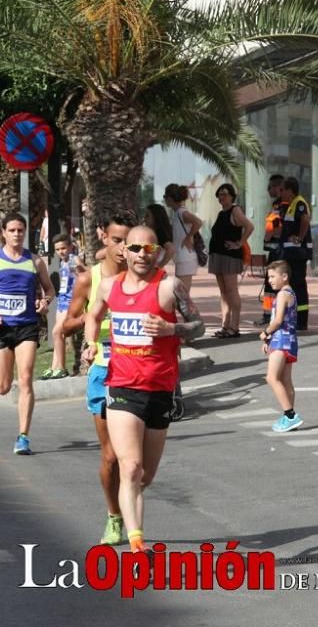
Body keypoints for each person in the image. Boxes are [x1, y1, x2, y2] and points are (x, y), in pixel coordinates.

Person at [83, 225, 205, 554]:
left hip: (160, 388)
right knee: (131, 467)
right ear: (126, 251)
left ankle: (125, 515)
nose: (140, 255)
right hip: (122, 386)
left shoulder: (169, 287)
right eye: (134, 248)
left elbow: (200, 326)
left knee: (145, 475)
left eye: (147, 250)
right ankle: (138, 544)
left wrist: (170, 328)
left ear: (157, 253)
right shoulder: (109, 287)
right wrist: (90, 343)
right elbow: (92, 315)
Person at [63, 211, 136, 545]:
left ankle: (130, 513)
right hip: (103, 368)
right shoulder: (87, 280)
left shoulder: (141, 276)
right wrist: (95, 317)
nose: (123, 249)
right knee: (110, 456)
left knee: (133, 460)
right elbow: (66, 324)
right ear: (102, 236)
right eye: (117, 240)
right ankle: (114, 516)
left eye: (128, 241)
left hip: (137, 369)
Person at [0, 212, 55, 455]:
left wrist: (45, 301)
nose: (17, 234)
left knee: (26, 378)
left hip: (27, 326)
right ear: (3, 233)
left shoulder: (35, 261)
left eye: (21, 230)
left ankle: (23, 436)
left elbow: (49, 288)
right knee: (3, 387)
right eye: (12, 230)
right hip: (0, 328)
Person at [258, 261, 303, 432]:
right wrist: (269, 340)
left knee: (271, 377)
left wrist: (266, 333)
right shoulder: (290, 292)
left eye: (272, 276)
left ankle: (290, 415)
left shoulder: (283, 294)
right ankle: (289, 417)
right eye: (268, 277)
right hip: (289, 340)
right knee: (285, 380)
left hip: (281, 340)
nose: (269, 280)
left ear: (284, 276)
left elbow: (277, 321)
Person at [208, 182, 254, 338]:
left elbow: (249, 226)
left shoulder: (235, 210)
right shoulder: (222, 213)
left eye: (225, 194)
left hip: (229, 256)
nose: (222, 197)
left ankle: (234, 327)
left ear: (232, 196)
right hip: (218, 256)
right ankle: (225, 325)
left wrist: (239, 243)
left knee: (231, 290)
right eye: (220, 194)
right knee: (223, 292)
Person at [43, 233, 85, 380]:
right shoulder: (63, 261)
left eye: (63, 248)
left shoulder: (74, 259)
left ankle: (61, 367)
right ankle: (54, 367)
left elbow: (84, 274)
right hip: (62, 300)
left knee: (56, 332)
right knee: (58, 335)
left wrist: (79, 269)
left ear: (70, 247)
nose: (61, 252)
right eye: (58, 249)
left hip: (71, 301)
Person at [279, 177, 312, 330]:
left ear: (290, 190)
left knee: (298, 285)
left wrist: (300, 237)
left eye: (282, 190)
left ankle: (301, 321)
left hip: (298, 253)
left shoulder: (299, 204)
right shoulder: (290, 205)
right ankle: (293, 317)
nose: (281, 193)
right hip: (290, 253)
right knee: (292, 285)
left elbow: (305, 219)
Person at [164, 184, 203, 294]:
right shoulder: (177, 213)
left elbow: (198, 222)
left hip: (186, 256)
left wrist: (188, 237)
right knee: (180, 292)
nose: (164, 200)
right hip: (182, 256)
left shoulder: (182, 212)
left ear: (170, 198)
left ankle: (189, 311)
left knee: (183, 293)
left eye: (164, 196)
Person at [258, 174, 286, 326]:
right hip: (273, 250)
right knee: (269, 283)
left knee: (276, 282)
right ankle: (267, 313)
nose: (268, 190)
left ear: (277, 187)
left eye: (270, 187)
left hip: (280, 250)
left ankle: (275, 314)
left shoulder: (285, 205)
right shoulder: (276, 205)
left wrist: (272, 235)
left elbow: (281, 228)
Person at [142, 204, 175, 271]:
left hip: (155, 272)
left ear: (155, 217)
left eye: (147, 216)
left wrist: (160, 266)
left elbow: (171, 249)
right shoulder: (151, 232)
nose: (144, 218)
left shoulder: (160, 233)